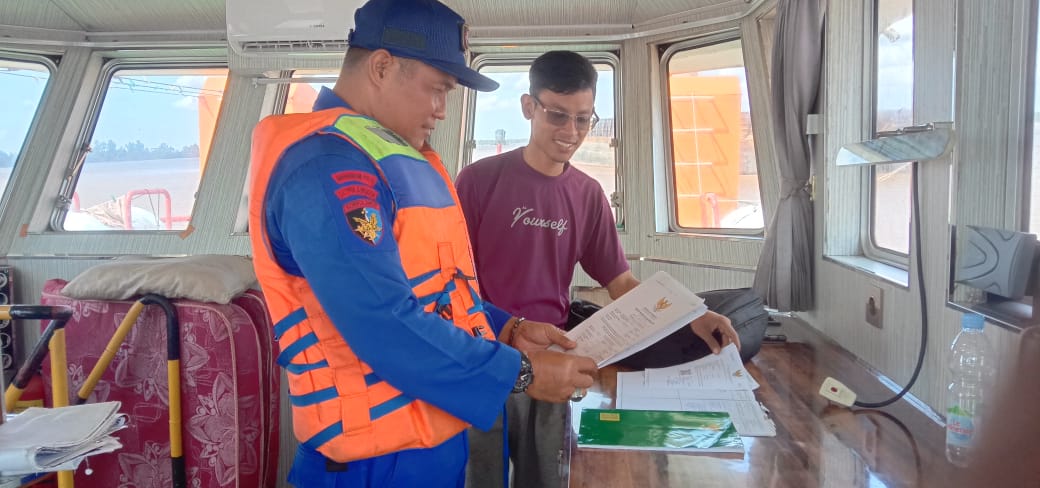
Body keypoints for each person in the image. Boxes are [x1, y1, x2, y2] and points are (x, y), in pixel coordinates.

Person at [247, 3, 598, 487]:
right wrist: (522, 373)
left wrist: (508, 328)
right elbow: (382, 320)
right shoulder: (326, 167)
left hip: (431, 443)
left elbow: (434, 293)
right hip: (370, 463)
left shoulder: (387, 157)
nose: (441, 109)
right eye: (437, 89)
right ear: (382, 66)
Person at [456, 50, 742, 488]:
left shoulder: (588, 195)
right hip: (486, 353)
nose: (571, 132)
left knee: (547, 477)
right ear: (529, 108)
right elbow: (452, 281)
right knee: (481, 476)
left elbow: (622, 283)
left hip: (555, 359)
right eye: (557, 115)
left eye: (583, 119)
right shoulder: (477, 182)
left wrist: (694, 314)